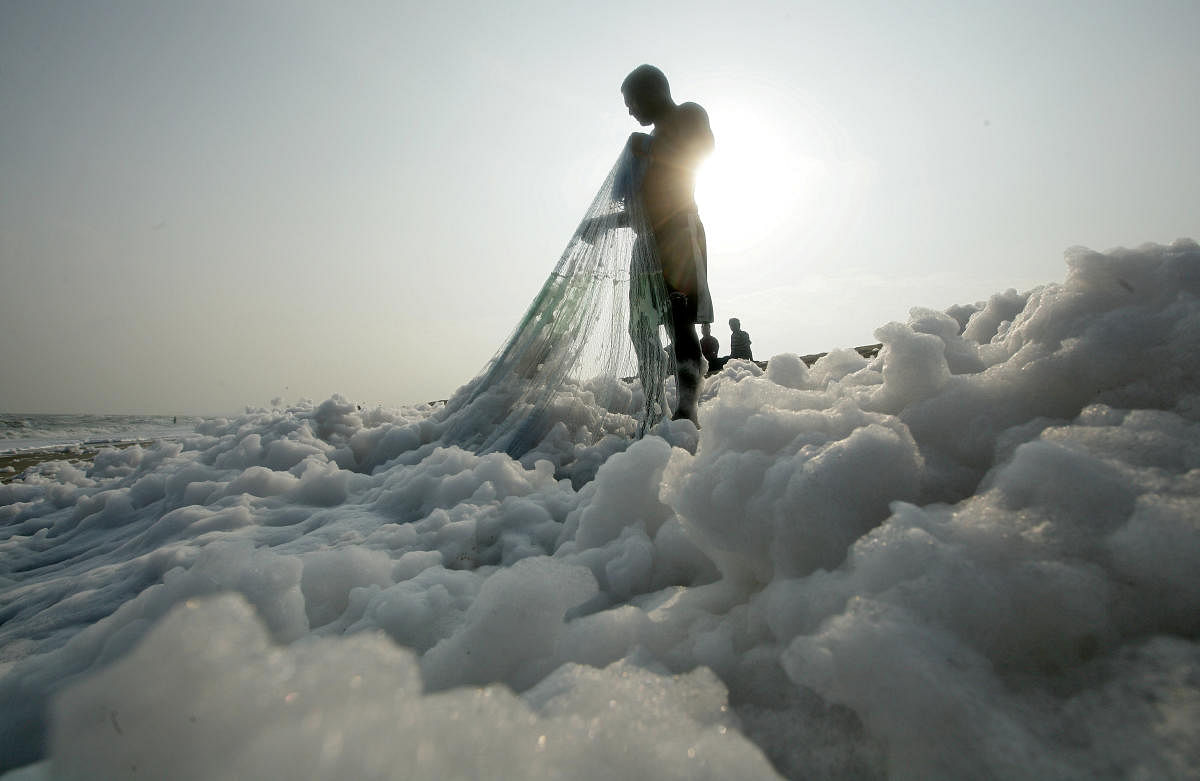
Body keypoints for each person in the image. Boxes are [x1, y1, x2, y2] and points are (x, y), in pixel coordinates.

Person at [621, 64, 714, 425]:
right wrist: (602, 223)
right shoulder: (641, 148)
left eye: (632, 101)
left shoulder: (688, 114)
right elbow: (638, 211)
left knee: (679, 319)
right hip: (648, 244)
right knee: (640, 327)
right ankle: (654, 402)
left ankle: (687, 408)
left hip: (679, 233)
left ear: (653, 91)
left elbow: (702, 150)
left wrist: (649, 146)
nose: (630, 110)